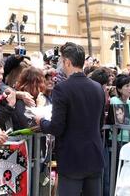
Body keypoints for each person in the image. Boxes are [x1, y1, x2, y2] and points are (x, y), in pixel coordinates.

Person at [34, 42, 105, 196]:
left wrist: (41, 121)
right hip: (94, 155)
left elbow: (56, 127)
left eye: (61, 60)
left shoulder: (62, 88)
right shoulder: (97, 87)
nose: (60, 64)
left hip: (72, 159)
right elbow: (100, 124)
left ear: (67, 62)